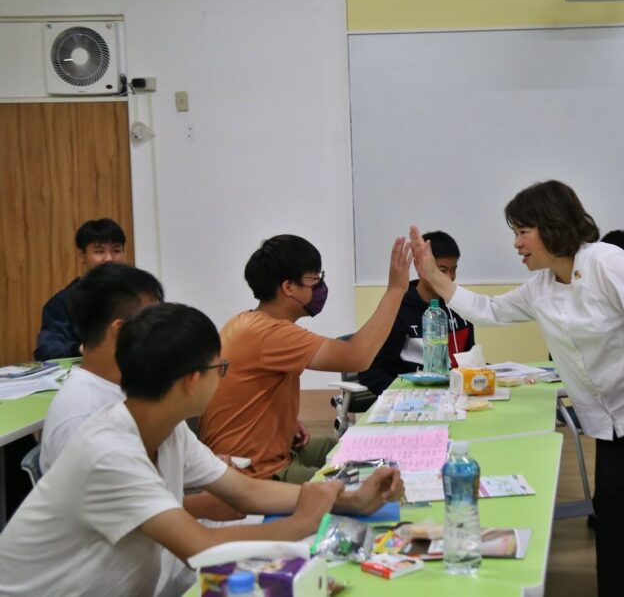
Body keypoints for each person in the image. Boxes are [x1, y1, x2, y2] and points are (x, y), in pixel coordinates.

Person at [409, 180, 624, 597]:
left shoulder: (608, 262)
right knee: (609, 512)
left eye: (522, 232)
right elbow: (490, 309)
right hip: (617, 417)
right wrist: (432, 277)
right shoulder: (540, 287)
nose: (517, 244)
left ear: (552, 226)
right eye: (515, 233)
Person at [0, 303, 403, 596]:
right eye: (219, 369)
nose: (221, 379)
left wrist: (350, 500)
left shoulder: (164, 428)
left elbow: (247, 491)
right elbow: (202, 547)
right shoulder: (108, 452)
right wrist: (300, 522)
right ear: (193, 380)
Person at [200, 234, 412, 482]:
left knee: (363, 450)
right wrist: (396, 290)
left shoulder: (247, 323)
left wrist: (284, 422)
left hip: (280, 451)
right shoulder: (269, 333)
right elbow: (357, 357)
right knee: (364, 483)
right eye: (315, 279)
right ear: (289, 287)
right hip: (257, 471)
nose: (321, 287)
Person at [39, 263, 164, 473]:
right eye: (155, 320)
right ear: (120, 329)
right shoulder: (82, 420)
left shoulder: (141, 387)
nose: (164, 331)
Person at [361, 230, 475, 395]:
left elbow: (469, 361)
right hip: (414, 399)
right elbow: (371, 372)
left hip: (458, 396)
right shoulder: (397, 309)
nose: (449, 278)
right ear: (421, 267)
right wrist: (407, 394)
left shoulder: (459, 306)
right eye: (442, 270)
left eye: (453, 270)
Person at [34, 217, 127, 360]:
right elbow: (47, 350)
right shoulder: (62, 302)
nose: (109, 258)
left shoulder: (138, 295)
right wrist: (81, 348)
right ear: (82, 255)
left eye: (116, 250)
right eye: (99, 251)